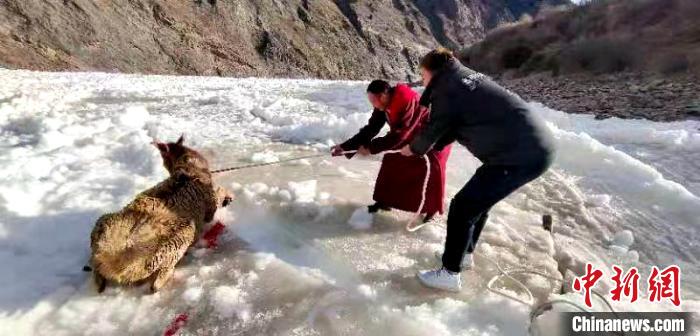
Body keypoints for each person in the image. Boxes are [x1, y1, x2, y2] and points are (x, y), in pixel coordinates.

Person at [400, 48, 555, 292]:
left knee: (462, 207)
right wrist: (427, 146)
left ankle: (449, 274)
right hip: (531, 147)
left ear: (431, 71)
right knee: (477, 204)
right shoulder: (464, 78)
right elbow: (452, 126)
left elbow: (434, 129)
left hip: (519, 155)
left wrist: (413, 149)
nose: (422, 80)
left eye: (422, 74)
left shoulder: (447, 89)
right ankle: (464, 255)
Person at [332, 80, 452, 222]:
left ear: (383, 96)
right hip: (410, 136)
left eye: (374, 101)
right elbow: (372, 127)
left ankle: (431, 210)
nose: (373, 105)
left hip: (433, 138)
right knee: (391, 163)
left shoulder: (406, 100)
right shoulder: (382, 103)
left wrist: (371, 148)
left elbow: (400, 136)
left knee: (431, 172)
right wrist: (346, 147)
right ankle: (384, 202)